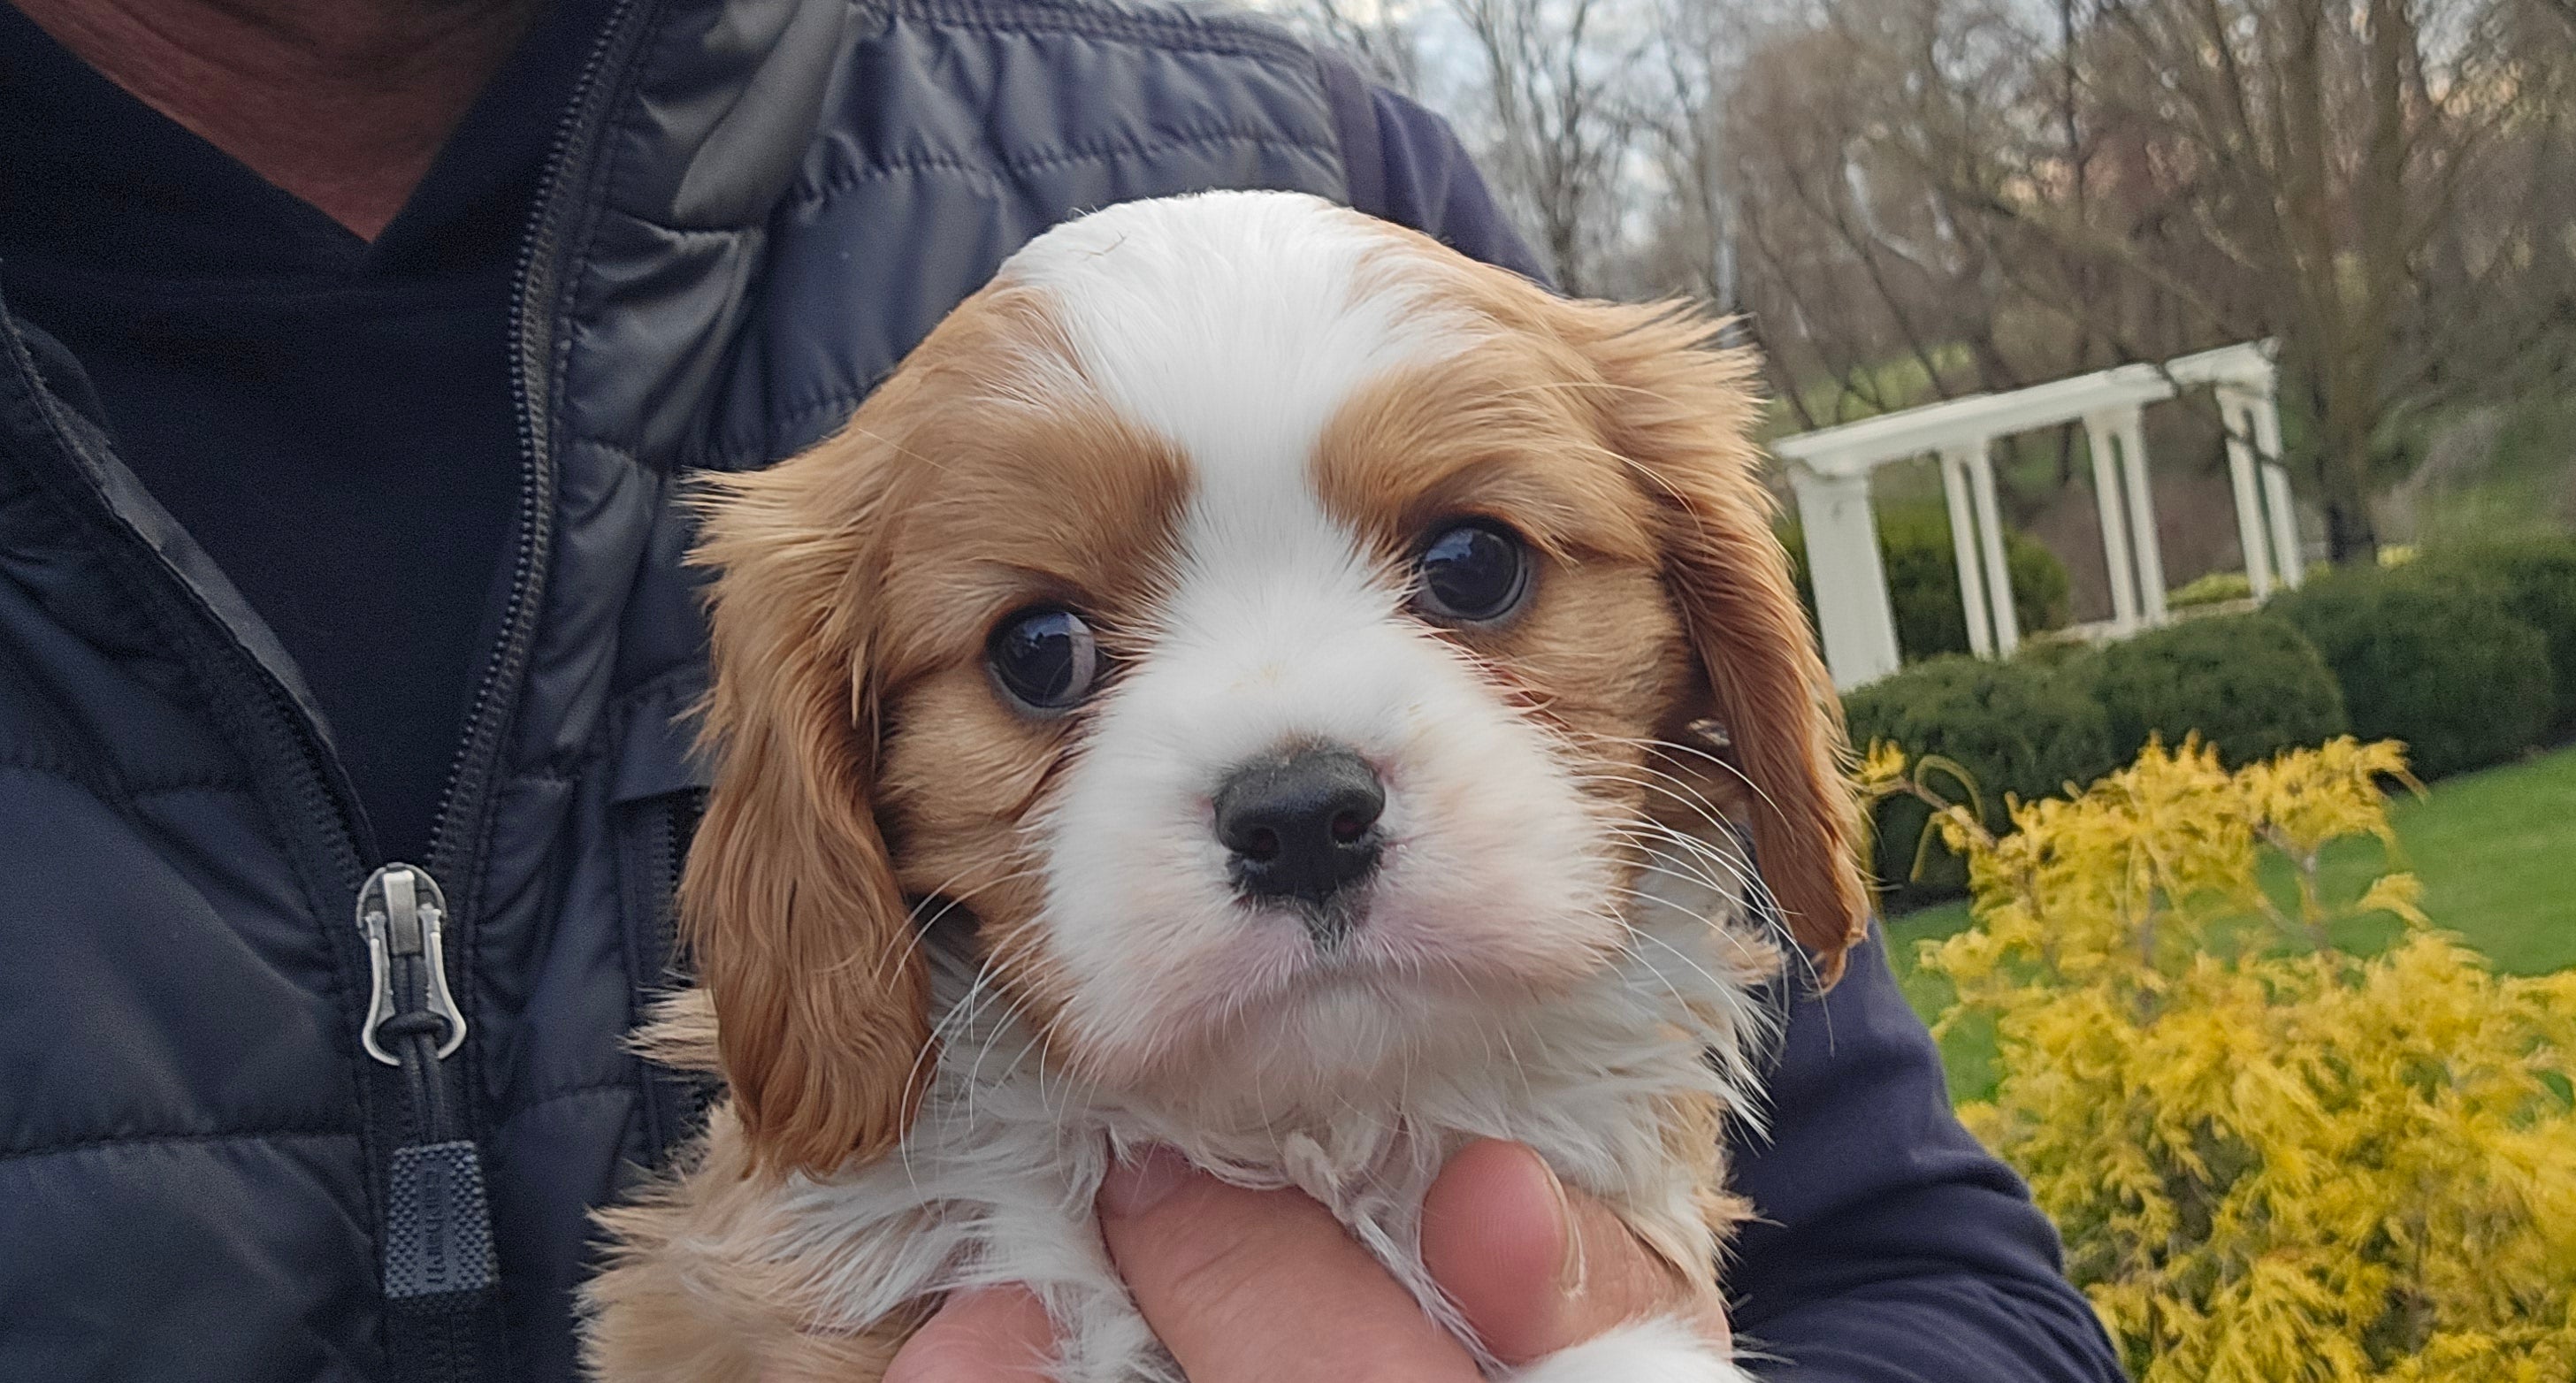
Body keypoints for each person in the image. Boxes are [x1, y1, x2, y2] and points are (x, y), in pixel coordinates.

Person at [0, 2, 2131, 1380]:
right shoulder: (833, 1252)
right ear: (824, 778)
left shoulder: (1327, 148)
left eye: (1468, 567)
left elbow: (1949, 1302)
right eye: (1047, 656)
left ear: (1711, 632)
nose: (1296, 771)